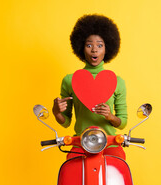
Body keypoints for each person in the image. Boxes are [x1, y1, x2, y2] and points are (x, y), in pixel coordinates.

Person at [52, 14, 127, 159]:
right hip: (80, 143)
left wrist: (110, 116)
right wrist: (57, 112)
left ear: (107, 49)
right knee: (71, 169)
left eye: (100, 45)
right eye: (89, 45)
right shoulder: (70, 80)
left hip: (109, 143)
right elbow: (66, 122)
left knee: (119, 166)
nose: (94, 50)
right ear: (81, 47)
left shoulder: (117, 82)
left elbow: (122, 122)